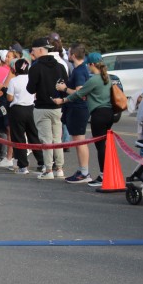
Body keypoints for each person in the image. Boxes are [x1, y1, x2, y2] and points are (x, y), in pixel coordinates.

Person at [54, 53, 113, 188]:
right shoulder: (106, 78)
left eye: (88, 65)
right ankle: (105, 173)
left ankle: (103, 175)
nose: (88, 67)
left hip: (98, 114)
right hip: (108, 113)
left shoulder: (94, 79)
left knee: (100, 146)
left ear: (92, 64)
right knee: (103, 145)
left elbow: (79, 94)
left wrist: (62, 100)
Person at [26, 37, 68, 180]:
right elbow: (65, 85)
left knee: (46, 139)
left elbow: (30, 89)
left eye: (33, 50)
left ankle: (48, 169)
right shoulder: (60, 66)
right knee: (57, 139)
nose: (32, 53)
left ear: (40, 50)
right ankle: (59, 168)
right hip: (57, 106)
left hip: (42, 106)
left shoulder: (35, 67)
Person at [5, 59, 43, 175]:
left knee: (18, 138)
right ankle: (42, 162)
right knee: (34, 136)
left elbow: (10, 98)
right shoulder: (32, 78)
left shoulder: (14, 81)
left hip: (17, 110)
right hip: (31, 108)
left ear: (15, 68)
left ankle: (23, 165)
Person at [62, 45, 93, 183]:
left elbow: (80, 92)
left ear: (73, 55)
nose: (68, 54)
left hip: (79, 108)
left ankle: (85, 172)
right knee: (77, 140)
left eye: (69, 52)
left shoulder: (80, 71)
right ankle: (82, 169)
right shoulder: (79, 69)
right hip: (76, 108)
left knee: (80, 141)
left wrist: (64, 88)